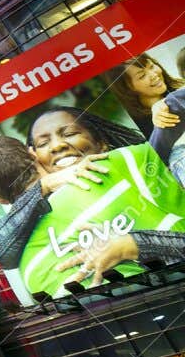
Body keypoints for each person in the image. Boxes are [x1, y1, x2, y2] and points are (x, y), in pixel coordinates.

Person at [15, 108, 185, 297]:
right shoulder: (38, 231)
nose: (56, 146)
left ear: (101, 143)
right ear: (36, 159)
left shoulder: (145, 166)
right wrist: (43, 185)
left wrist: (132, 244)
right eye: (43, 143)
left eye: (70, 133)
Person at [111, 55, 185, 185]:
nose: (153, 74)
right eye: (141, 76)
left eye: (152, 66)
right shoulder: (134, 126)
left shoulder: (179, 94)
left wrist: (164, 103)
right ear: (127, 88)